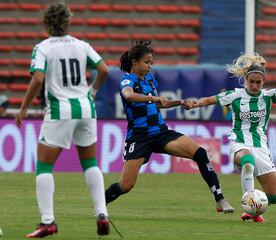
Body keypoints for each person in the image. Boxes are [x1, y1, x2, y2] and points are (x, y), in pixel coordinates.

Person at [104, 40, 234, 214]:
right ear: (134, 62)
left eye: (151, 62)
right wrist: (152, 98)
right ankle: (100, 203)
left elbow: (161, 104)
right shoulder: (127, 80)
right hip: (139, 136)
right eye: (146, 62)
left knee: (200, 153)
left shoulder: (149, 79)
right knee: (126, 185)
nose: (150, 66)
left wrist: (180, 102)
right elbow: (128, 96)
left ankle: (220, 199)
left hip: (160, 132)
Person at [15, 2, 110, 238]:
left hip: (60, 111)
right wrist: (92, 92)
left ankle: (48, 222)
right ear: (68, 21)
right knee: (90, 163)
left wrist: (23, 108)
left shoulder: (43, 47)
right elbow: (105, 70)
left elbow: (37, 79)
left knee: (44, 166)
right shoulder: (82, 45)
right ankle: (102, 213)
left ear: (46, 22)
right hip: (86, 109)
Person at [189, 53, 276, 222]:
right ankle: (250, 208)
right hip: (239, 142)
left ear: (263, 82)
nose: (254, 85)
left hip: (261, 146)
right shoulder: (235, 95)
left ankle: (255, 206)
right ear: (246, 80)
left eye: (258, 82)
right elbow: (210, 100)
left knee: (275, 197)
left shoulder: (268, 96)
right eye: (251, 82)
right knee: (248, 162)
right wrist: (195, 103)